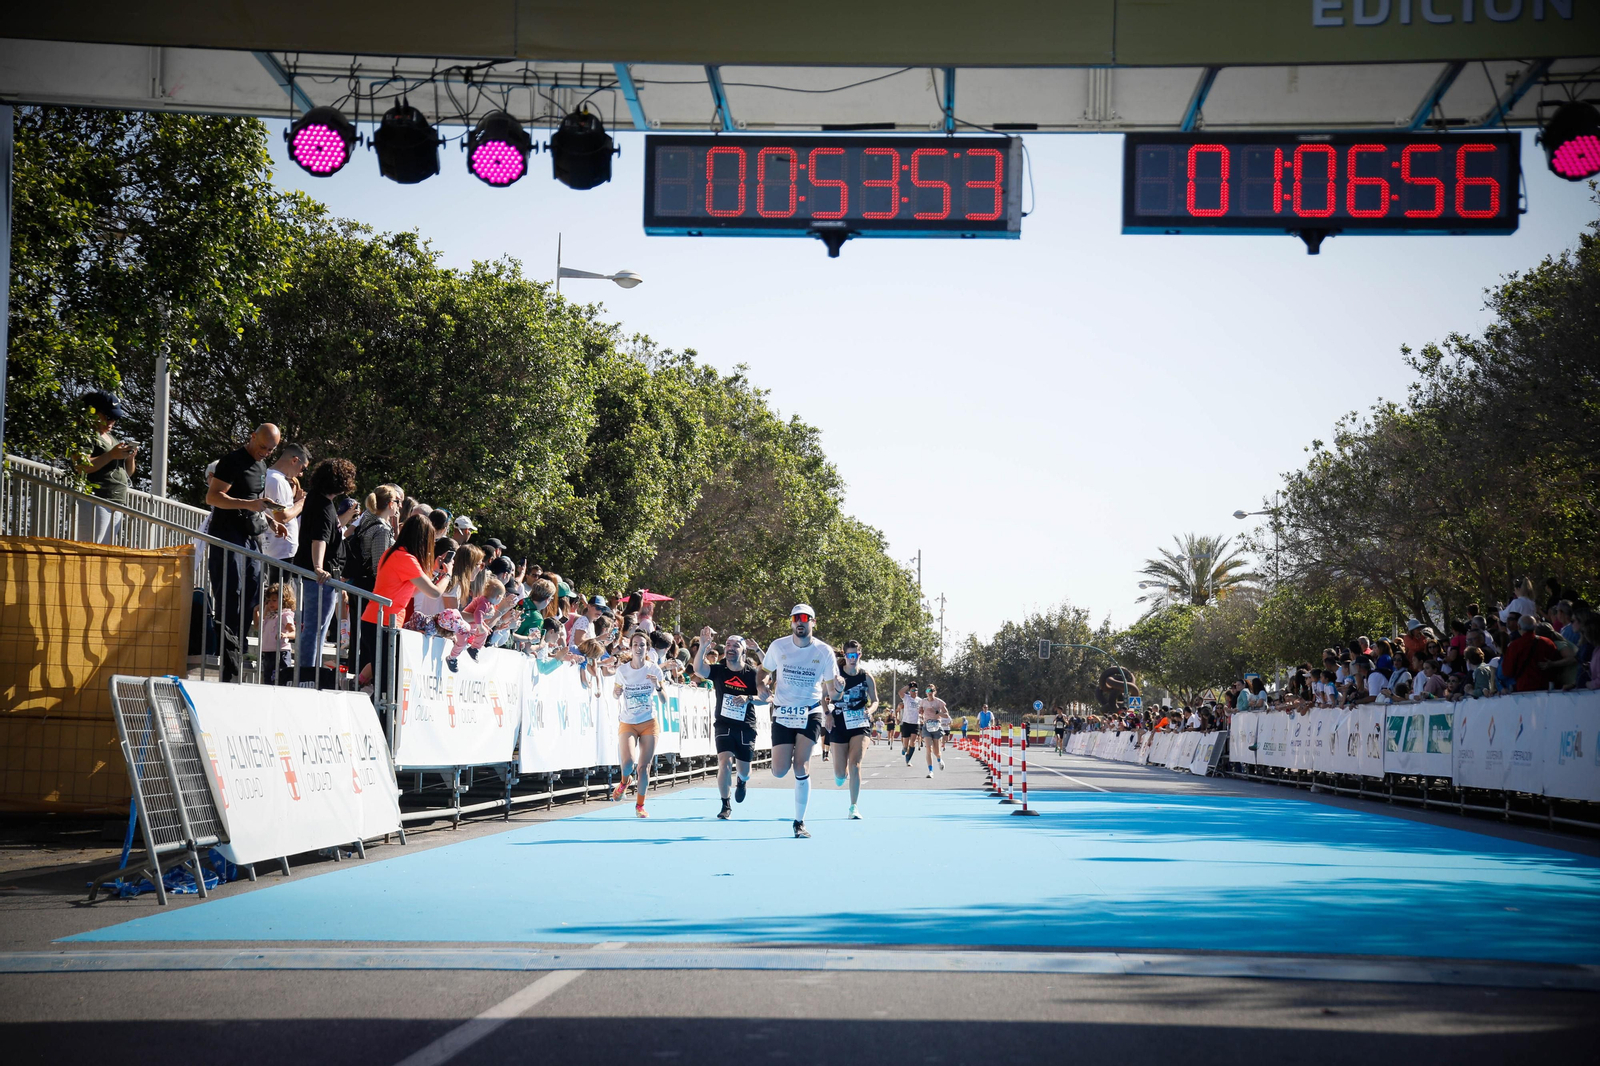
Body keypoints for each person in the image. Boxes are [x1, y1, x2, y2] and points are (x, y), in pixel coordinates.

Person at [205, 424, 288, 682]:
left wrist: (270, 519)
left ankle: (237, 656)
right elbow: (213, 497)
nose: (265, 452)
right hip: (228, 537)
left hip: (251, 538)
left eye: (271, 449)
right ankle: (228, 666)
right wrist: (248, 504)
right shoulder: (232, 461)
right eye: (262, 446)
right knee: (231, 595)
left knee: (252, 595)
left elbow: (253, 500)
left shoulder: (262, 467)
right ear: (252, 438)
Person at [762, 603, 839, 839]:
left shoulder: (824, 651)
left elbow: (833, 693)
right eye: (796, 618)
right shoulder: (778, 646)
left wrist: (839, 690)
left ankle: (799, 822)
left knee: (800, 766)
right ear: (791, 622)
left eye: (805, 618)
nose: (800, 622)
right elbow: (764, 670)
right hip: (783, 713)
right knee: (778, 770)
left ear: (813, 623)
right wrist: (761, 685)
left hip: (810, 712)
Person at [358, 515, 450, 699]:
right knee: (386, 681)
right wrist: (448, 576)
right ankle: (381, 720)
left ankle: (378, 713)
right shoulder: (406, 558)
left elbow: (413, 590)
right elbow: (434, 592)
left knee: (385, 677)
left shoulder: (394, 552)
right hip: (383, 622)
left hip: (378, 620)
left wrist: (434, 574)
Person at [291, 458, 357, 686]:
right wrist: (318, 566)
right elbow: (318, 537)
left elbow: (327, 530)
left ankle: (311, 672)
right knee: (315, 627)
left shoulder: (319, 502)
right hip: (319, 577)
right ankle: (307, 674)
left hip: (322, 576)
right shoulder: (321, 504)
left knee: (318, 627)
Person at [697, 626, 766, 820]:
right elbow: (698, 669)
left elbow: (767, 698)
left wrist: (749, 698)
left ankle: (742, 782)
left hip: (746, 727)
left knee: (744, 771)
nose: (731, 648)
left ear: (743, 651)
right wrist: (703, 646)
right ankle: (725, 804)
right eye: (728, 644)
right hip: (723, 724)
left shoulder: (752, 674)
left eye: (736, 645)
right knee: (724, 763)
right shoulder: (719, 670)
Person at [611, 630, 666, 818]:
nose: (639, 648)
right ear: (631, 647)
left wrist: (658, 686)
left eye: (642, 645)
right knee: (627, 764)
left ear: (647, 648)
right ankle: (624, 781)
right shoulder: (623, 670)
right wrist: (616, 693)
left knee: (644, 767)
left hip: (649, 722)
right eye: (635, 644)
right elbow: (615, 691)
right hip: (628, 722)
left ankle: (640, 805)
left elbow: (664, 699)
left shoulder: (654, 670)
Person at [74, 391, 136, 544]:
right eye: (108, 417)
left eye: (115, 418)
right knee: (91, 547)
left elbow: (127, 473)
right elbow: (81, 466)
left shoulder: (112, 439)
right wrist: (110, 455)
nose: (111, 422)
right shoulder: (86, 434)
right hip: (96, 499)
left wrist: (130, 458)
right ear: (93, 412)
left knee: (105, 551)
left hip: (116, 501)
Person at [827, 640, 878, 820]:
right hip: (839, 723)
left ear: (859, 655)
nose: (852, 658)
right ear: (845, 655)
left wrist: (870, 711)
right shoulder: (835, 675)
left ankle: (853, 807)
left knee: (855, 764)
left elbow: (875, 700)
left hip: (860, 724)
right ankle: (842, 774)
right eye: (849, 655)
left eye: (855, 655)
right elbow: (822, 696)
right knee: (840, 773)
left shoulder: (866, 677)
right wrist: (827, 714)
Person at [259, 444, 310, 565]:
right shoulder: (277, 480)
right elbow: (282, 517)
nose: (301, 474)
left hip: (276, 548)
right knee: (281, 584)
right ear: (294, 460)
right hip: (281, 551)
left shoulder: (271, 476)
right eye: (303, 468)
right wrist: (302, 503)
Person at [255, 582, 296, 686]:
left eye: (274, 600)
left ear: (284, 600)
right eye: (268, 601)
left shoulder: (285, 615)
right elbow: (258, 627)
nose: (270, 604)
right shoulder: (270, 615)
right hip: (268, 653)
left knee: (282, 678)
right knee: (268, 680)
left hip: (281, 652)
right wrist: (256, 612)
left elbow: (294, 632)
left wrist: (286, 635)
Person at [918, 684, 950, 777]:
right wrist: (920, 712)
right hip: (927, 725)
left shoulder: (939, 702)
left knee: (936, 751)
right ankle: (930, 771)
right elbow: (920, 711)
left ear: (934, 692)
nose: (930, 693)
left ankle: (939, 759)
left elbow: (946, 715)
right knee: (928, 748)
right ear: (926, 692)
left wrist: (937, 712)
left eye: (931, 691)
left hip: (936, 726)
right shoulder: (923, 702)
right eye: (928, 691)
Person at [897, 684, 922, 765]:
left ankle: (909, 758)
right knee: (906, 744)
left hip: (915, 723)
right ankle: (904, 748)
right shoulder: (907, 698)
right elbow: (900, 692)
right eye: (913, 690)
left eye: (916, 690)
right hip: (906, 722)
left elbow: (923, 710)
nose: (915, 692)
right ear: (909, 692)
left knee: (913, 742)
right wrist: (908, 685)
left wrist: (922, 714)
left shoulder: (920, 700)